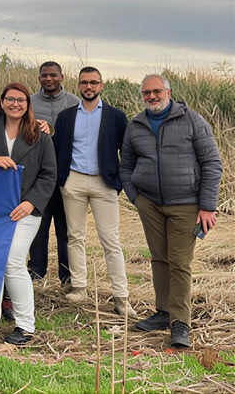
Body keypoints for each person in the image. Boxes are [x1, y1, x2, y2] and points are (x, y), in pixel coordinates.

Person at [120, 74, 222, 348]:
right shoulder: (135, 125)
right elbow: (126, 165)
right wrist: (136, 198)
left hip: (186, 204)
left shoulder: (192, 121)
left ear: (168, 92)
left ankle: (180, 323)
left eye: (156, 91)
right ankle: (164, 311)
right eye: (146, 93)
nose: (152, 96)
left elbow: (212, 162)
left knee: (179, 262)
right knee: (159, 259)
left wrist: (207, 206)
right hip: (150, 204)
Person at [0, 82, 57, 345]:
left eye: (21, 100)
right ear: (2, 102)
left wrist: (31, 203)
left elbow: (49, 174)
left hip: (25, 209)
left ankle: (25, 325)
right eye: (10, 99)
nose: (15, 104)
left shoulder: (40, 136)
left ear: (28, 104)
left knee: (13, 260)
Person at [53, 67, 135, 317]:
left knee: (111, 240)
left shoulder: (116, 116)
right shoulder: (66, 116)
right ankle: (79, 288)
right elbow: (58, 148)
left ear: (101, 85)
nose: (88, 87)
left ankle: (121, 297)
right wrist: (63, 180)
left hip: (104, 183)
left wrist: (119, 181)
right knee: (75, 236)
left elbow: (127, 152)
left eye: (93, 82)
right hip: (74, 181)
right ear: (78, 85)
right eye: (84, 82)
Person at [28, 61, 79, 283]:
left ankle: (67, 275)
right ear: (39, 78)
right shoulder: (29, 102)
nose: (48, 79)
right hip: (39, 175)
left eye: (53, 75)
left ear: (62, 77)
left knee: (66, 229)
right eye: (44, 75)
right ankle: (36, 271)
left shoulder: (74, 102)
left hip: (67, 175)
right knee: (38, 227)